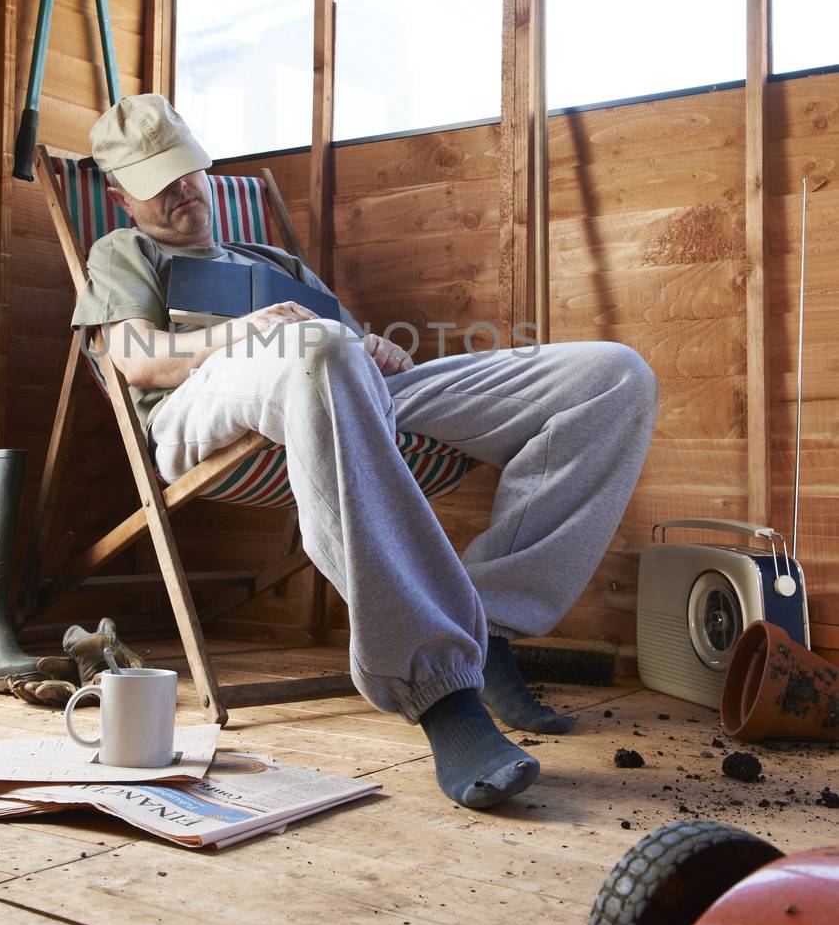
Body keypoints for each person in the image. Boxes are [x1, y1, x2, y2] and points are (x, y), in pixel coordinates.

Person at [72, 94, 659, 811]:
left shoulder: (272, 258)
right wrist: (249, 332)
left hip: (326, 384)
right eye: (157, 180)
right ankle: (440, 689)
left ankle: (492, 621)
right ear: (117, 196)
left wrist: (377, 348)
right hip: (205, 407)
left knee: (610, 375)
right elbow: (137, 360)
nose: (182, 189)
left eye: (188, 169)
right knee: (315, 346)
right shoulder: (124, 252)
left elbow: (348, 350)